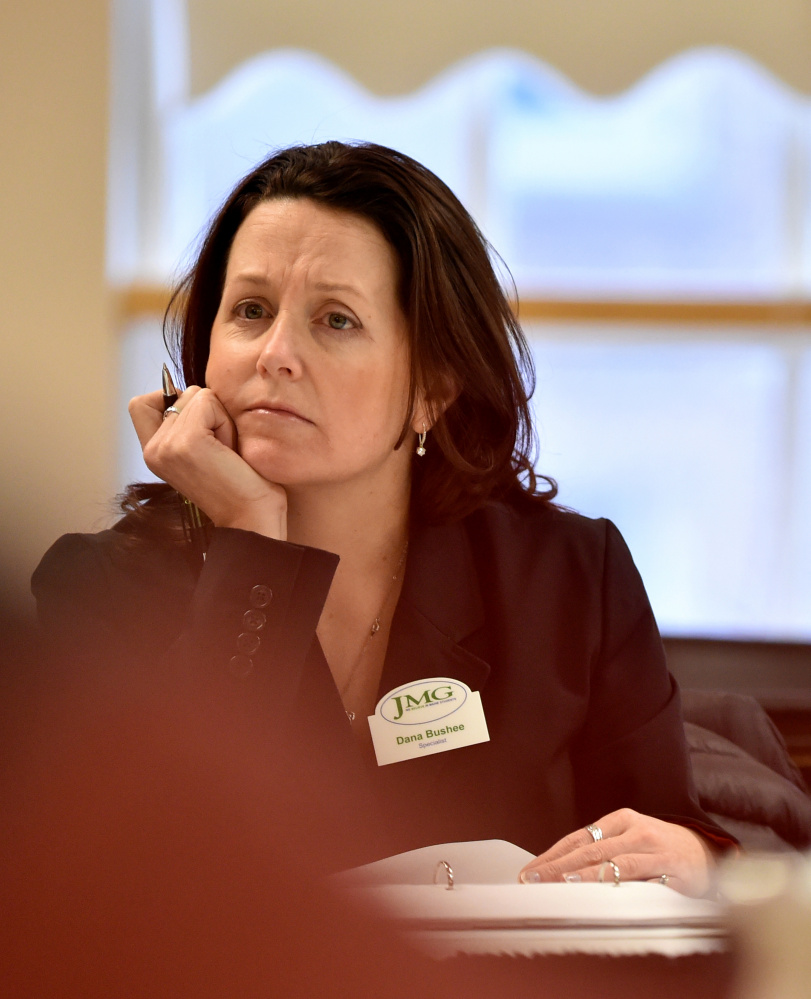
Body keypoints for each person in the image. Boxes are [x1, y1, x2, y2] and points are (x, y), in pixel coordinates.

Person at [33, 140, 732, 896]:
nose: (275, 354)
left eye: (335, 320)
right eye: (250, 310)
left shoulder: (566, 579)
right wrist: (250, 543)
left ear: (433, 386)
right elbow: (142, 871)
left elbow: (679, 840)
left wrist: (696, 862)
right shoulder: (101, 587)